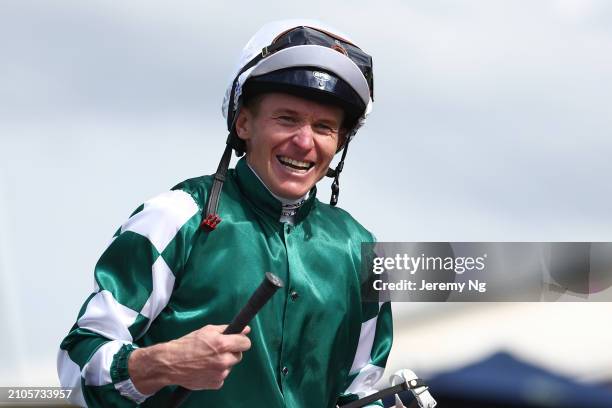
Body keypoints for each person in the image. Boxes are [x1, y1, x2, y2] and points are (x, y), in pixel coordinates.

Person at [57, 19, 392, 407]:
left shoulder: (365, 250)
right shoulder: (174, 216)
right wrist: (164, 363)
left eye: (324, 127)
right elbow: (76, 367)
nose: (304, 142)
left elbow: (362, 388)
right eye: (286, 118)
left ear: (340, 143)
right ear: (243, 122)